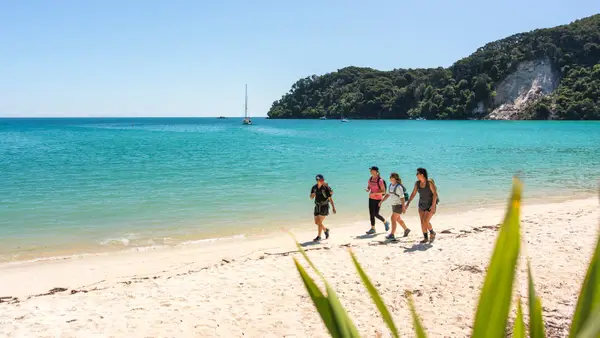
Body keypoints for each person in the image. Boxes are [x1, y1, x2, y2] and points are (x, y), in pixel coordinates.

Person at [406, 167, 438, 243]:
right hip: (421, 205)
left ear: (422, 174)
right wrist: (408, 203)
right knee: (422, 222)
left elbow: (435, 194)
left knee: (425, 221)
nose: (416, 175)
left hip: (430, 205)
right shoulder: (417, 183)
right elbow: (413, 193)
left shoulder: (429, 183)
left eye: (417, 173)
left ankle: (432, 232)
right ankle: (425, 238)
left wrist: (433, 206)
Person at [379, 172, 411, 240]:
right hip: (394, 205)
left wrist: (403, 207)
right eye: (390, 177)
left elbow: (402, 198)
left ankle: (392, 234)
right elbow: (387, 195)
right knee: (398, 219)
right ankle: (406, 229)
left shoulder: (399, 187)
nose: (390, 178)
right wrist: (381, 201)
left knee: (393, 218)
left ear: (396, 179)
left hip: (399, 205)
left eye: (392, 177)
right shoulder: (390, 185)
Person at [310, 174, 336, 242]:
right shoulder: (314, 187)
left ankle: (319, 236)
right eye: (321, 180)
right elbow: (311, 197)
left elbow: (330, 198)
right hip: (317, 206)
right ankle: (325, 230)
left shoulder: (325, 188)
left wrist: (333, 207)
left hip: (324, 206)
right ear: (317, 180)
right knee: (316, 222)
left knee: (319, 222)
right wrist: (312, 195)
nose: (322, 181)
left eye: (323, 179)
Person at [365, 166, 390, 235]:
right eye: (370, 170)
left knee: (376, 214)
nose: (370, 171)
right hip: (371, 198)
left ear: (376, 171)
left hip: (378, 199)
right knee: (371, 213)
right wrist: (367, 189)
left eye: (371, 170)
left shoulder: (380, 180)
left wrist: (375, 193)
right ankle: (373, 228)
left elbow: (383, 192)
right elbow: (369, 186)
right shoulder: (370, 179)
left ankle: (385, 222)